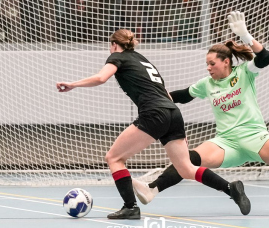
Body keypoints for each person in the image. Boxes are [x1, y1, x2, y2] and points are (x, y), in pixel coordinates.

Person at [131, 11, 269, 215]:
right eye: (207, 64)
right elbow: (182, 95)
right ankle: (152, 189)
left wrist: (246, 37)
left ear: (226, 62)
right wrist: (152, 93)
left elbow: (265, 57)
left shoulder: (244, 73)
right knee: (188, 159)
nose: (208, 68)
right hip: (226, 142)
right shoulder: (207, 84)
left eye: (212, 64)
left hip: (255, 136)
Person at [56, 28, 252, 219]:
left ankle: (130, 207)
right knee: (185, 168)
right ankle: (230, 188)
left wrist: (72, 84)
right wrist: (173, 125)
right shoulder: (142, 60)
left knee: (114, 157)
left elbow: (101, 77)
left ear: (114, 45)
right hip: (173, 113)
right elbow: (164, 92)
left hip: (153, 113)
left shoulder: (118, 57)